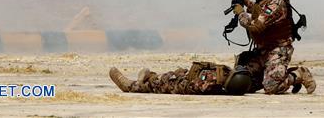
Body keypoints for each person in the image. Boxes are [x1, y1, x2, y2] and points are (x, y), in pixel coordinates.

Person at [231, 0, 316, 94]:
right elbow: (257, 11)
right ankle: (273, 75)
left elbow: (255, 27)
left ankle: (298, 74)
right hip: (262, 51)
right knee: (242, 81)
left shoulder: (277, 3)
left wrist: (240, 12)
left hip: (278, 50)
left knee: (271, 87)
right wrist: (243, 0)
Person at [108, 61, 252, 95]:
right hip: (182, 81)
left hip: (178, 85)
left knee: (154, 84)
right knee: (164, 77)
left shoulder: (211, 83)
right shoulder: (222, 83)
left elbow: (192, 85)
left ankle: (132, 85)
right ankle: (149, 77)